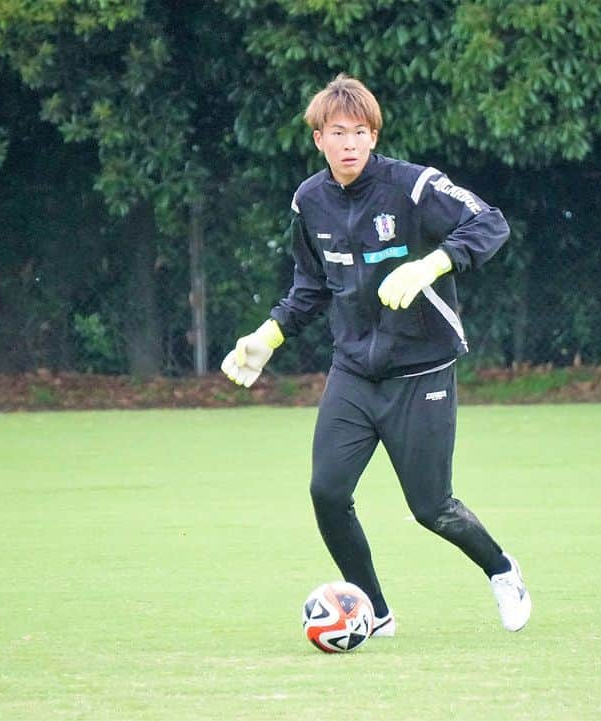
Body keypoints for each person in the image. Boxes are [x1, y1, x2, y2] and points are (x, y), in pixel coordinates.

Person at [221, 74, 531, 634]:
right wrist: (266, 336)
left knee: (432, 507)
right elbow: (311, 287)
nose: (349, 143)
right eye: (337, 132)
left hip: (423, 370)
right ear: (318, 138)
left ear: (373, 135)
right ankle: (374, 612)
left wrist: (430, 263)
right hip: (354, 372)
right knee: (327, 491)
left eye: (360, 132)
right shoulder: (308, 201)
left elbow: (491, 223)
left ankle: (502, 569)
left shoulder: (412, 187)